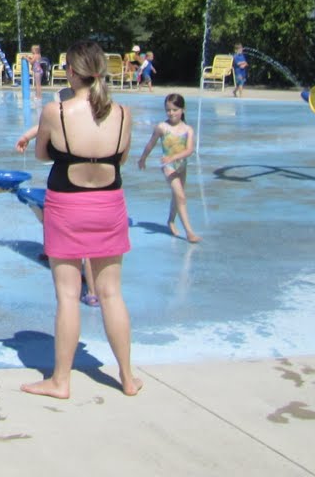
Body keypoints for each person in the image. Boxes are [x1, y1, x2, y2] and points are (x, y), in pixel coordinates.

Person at [16, 39, 140, 399]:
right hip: (109, 204)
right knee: (112, 293)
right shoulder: (123, 114)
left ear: (70, 72)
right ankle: (128, 378)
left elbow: (42, 156)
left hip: (67, 207)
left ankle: (61, 381)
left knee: (68, 296)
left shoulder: (57, 111)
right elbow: (122, 159)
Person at [136, 93, 201, 242]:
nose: (171, 113)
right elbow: (150, 144)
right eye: (168, 110)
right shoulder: (162, 127)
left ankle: (171, 220)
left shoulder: (187, 130)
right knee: (181, 197)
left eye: (175, 110)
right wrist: (143, 158)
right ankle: (189, 232)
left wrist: (174, 157)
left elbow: (189, 150)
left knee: (177, 197)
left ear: (182, 110)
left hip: (181, 166)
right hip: (168, 167)